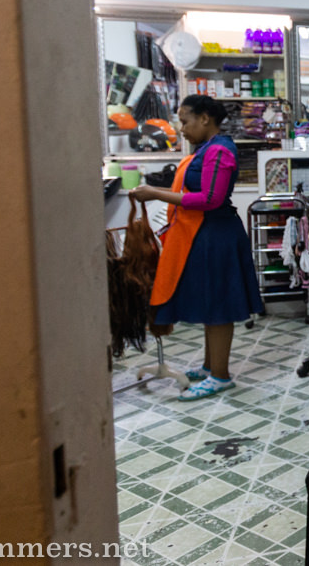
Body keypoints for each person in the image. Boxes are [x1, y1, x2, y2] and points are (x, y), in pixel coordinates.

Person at [131, 94, 264, 401]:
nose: (182, 129)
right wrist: (154, 191)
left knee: (218, 306)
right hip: (204, 235)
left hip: (217, 236)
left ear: (205, 118)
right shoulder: (206, 149)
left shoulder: (220, 150)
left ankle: (220, 376)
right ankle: (209, 367)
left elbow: (210, 199)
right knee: (209, 302)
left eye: (185, 121)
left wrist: (155, 193)